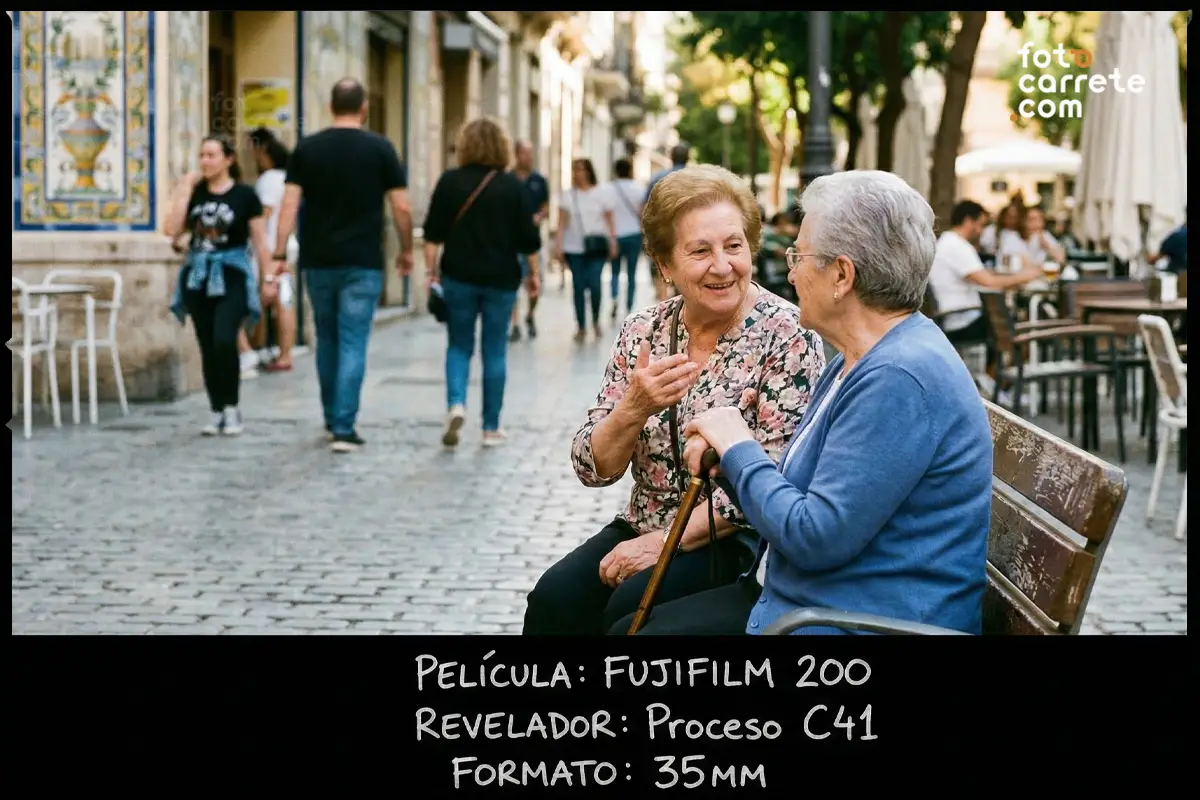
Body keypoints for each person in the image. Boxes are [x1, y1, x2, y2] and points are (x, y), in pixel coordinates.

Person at [613, 170, 993, 636]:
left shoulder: (898, 377)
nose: (790, 273)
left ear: (841, 274)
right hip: (815, 601)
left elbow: (814, 537)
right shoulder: (861, 358)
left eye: (800, 256)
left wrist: (737, 447)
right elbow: (801, 494)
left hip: (857, 620)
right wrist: (730, 465)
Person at [523, 164, 827, 636]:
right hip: (643, 522)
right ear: (665, 265)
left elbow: (781, 475)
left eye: (734, 246)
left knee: (627, 608)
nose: (723, 266)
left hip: (736, 540)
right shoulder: (644, 330)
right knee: (555, 599)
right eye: (700, 251)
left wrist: (666, 544)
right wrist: (634, 407)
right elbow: (592, 467)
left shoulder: (788, 334)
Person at [272, 78, 414, 453]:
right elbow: (401, 206)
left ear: (331, 106)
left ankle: (331, 414)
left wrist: (277, 251)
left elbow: (289, 204)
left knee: (327, 338)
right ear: (364, 107)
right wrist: (406, 249)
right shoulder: (381, 148)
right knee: (353, 340)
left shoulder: (308, 149)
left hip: (318, 261)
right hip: (363, 261)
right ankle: (344, 426)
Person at [423, 118, 542, 448]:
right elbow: (529, 240)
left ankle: (456, 404)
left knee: (459, 345)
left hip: (458, 277)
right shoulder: (512, 186)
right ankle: (491, 427)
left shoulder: (449, 182)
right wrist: (534, 276)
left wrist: (430, 273)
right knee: (494, 350)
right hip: (501, 280)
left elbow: (432, 234)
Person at [165, 135, 271, 436]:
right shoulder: (196, 193)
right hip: (198, 277)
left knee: (225, 340)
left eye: (211, 155)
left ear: (228, 159)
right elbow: (172, 231)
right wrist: (184, 189)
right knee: (208, 345)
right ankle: (216, 410)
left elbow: (260, 241)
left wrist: (270, 278)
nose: (205, 161)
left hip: (231, 275)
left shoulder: (245, 196)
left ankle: (232, 407)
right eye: (202, 155)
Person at [248, 127, 299, 372]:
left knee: (271, 299)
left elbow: (264, 215)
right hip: (287, 245)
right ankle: (282, 351)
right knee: (283, 299)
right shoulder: (287, 178)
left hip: (269, 247)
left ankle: (263, 350)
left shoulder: (268, 180)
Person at [554, 158, 619, 342]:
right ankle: (581, 326)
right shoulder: (568, 195)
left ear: (589, 172)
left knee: (595, 283)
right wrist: (558, 245)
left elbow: (610, 219)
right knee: (578, 286)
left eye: (581, 170)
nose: (577, 174)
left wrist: (613, 241)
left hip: (597, 246)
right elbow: (561, 223)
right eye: (574, 170)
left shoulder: (602, 192)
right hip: (574, 247)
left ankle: (596, 320)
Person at [509, 140, 550, 342]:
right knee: (512, 283)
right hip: (510, 242)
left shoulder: (539, 180)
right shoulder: (508, 179)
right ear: (516, 154)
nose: (528, 157)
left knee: (535, 283)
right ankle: (514, 323)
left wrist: (539, 216)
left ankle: (530, 315)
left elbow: (546, 206)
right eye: (525, 153)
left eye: (530, 153)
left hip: (532, 241)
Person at [646, 143, 691, 301]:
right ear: (688, 157)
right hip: (690, 230)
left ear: (671, 157)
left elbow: (647, 207)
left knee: (662, 265)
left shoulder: (658, 178)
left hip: (663, 229)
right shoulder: (696, 178)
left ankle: (664, 303)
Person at [606, 158, 647, 319]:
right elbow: (642, 213)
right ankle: (629, 305)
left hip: (615, 235)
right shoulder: (638, 189)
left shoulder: (608, 189)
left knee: (614, 271)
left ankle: (615, 298)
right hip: (633, 235)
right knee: (631, 273)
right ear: (630, 170)